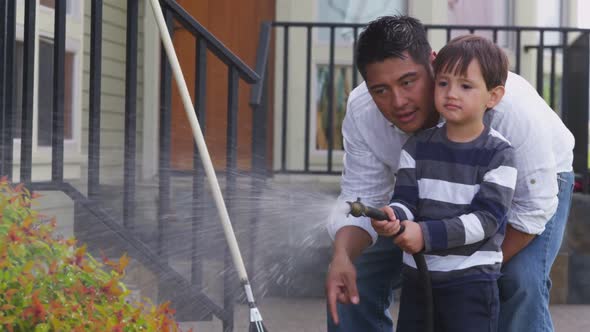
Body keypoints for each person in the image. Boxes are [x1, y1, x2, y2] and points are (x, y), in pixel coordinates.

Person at [325, 15, 575, 332]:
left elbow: (533, 208)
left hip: (527, 192)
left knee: (517, 281)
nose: (398, 102)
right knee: (356, 271)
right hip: (423, 202)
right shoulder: (362, 111)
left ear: (432, 62)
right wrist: (342, 256)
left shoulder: (509, 110)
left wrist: (464, 266)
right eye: (381, 90)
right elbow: (364, 197)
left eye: (407, 82)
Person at [374, 35, 516, 331]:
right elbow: (406, 201)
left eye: (465, 86)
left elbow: (487, 220)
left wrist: (425, 235)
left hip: (471, 283)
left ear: (493, 96)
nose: (451, 93)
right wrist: (395, 217)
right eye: (443, 83)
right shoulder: (417, 147)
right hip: (418, 279)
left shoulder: (499, 154)